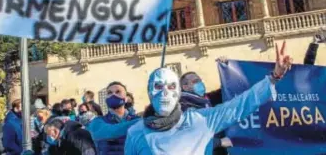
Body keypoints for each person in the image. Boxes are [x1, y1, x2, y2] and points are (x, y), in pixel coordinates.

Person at [125, 41, 292, 155]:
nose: (164, 93)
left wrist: (275, 77)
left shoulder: (200, 119)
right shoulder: (135, 133)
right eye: (158, 87)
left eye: (170, 86)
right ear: (149, 91)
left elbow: (240, 105)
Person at [87, 82, 140, 155]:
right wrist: (140, 123)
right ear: (106, 99)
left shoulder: (137, 119)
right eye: (109, 93)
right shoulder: (97, 122)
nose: (113, 94)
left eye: (118, 92)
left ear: (126, 98)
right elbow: (106, 132)